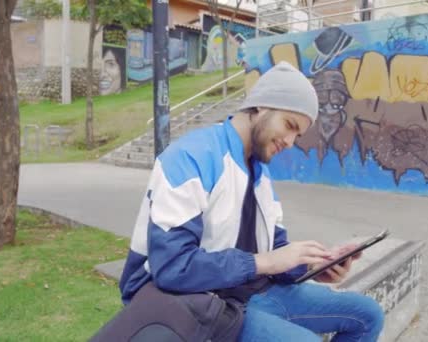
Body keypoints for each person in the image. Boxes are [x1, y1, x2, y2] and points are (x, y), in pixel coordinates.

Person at [100, 61, 384, 341]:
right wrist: (263, 263)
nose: (289, 141)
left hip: (251, 292)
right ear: (260, 106)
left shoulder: (259, 173)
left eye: (297, 134)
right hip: (200, 301)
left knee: (368, 315)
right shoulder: (190, 157)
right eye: (289, 125)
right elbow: (173, 268)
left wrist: (316, 265)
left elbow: (274, 251)